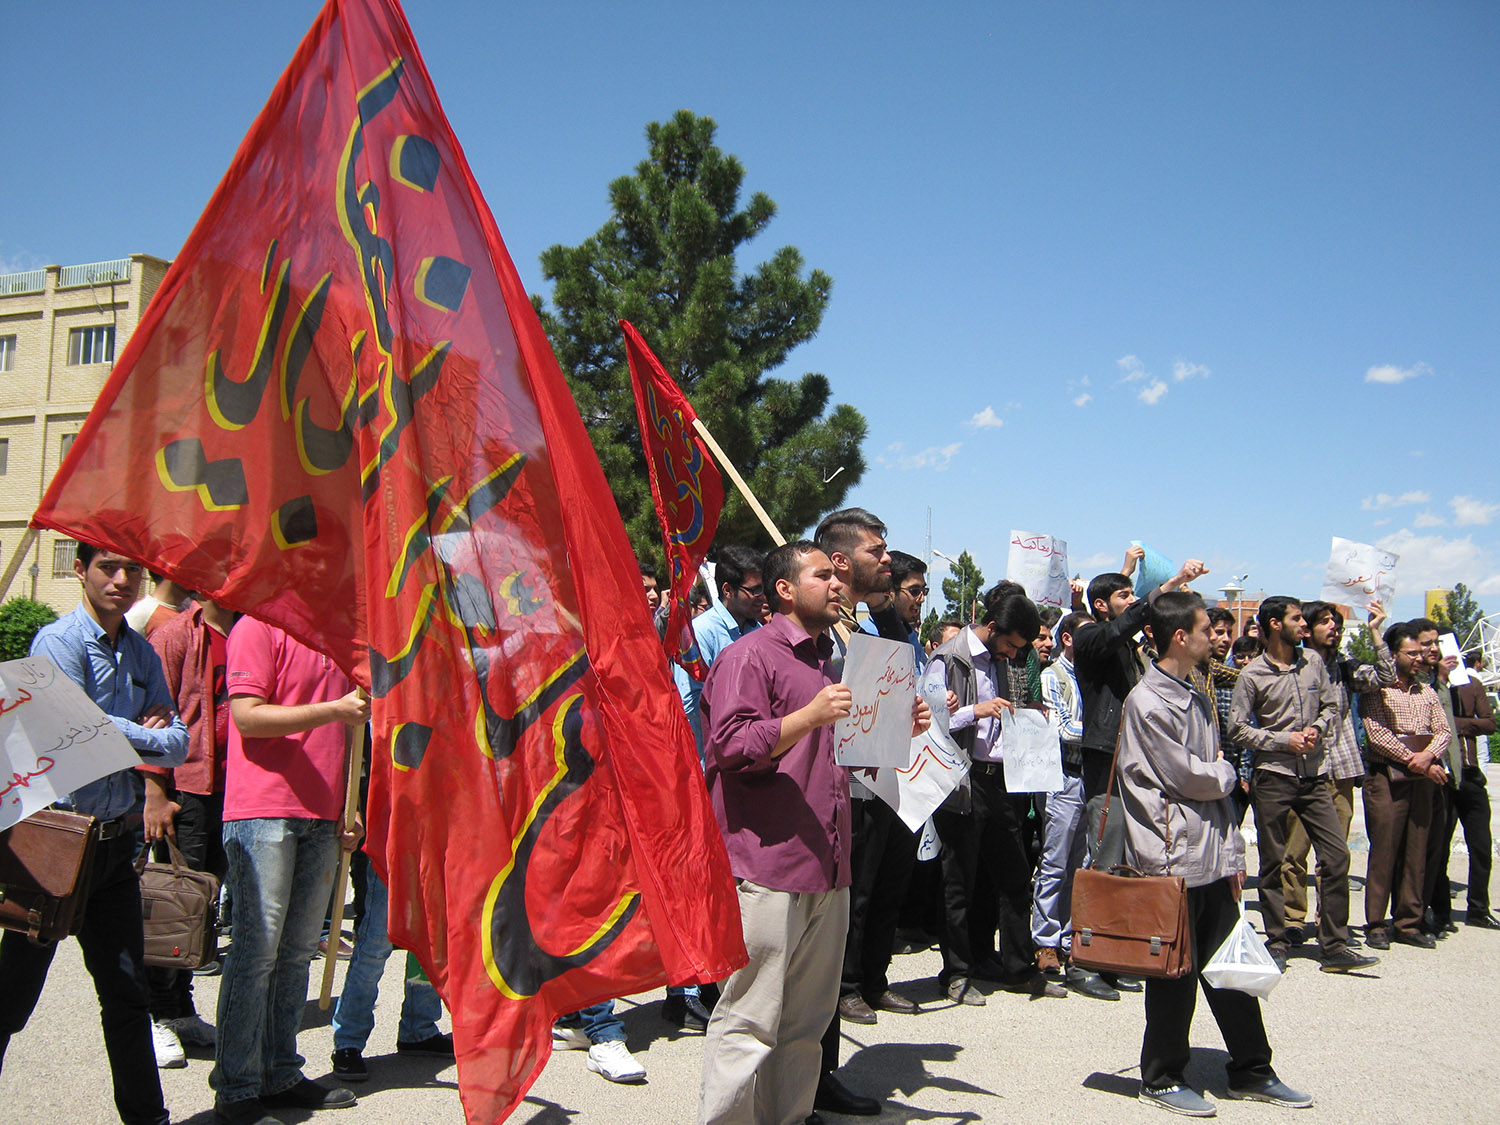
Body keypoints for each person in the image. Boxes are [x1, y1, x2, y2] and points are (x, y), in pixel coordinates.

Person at [697, 540, 928, 1125]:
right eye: (822, 574)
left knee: (807, 1023)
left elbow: (852, 760)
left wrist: (903, 723)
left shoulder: (834, 664)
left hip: (829, 863)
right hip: (768, 864)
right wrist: (808, 715)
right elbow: (729, 748)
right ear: (784, 589)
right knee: (748, 1018)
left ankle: (791, 1117)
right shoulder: (750, 657)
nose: (837, 584)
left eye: (837, 575)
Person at [1, 542, 190, 1125]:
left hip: (114, 844)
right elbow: (70, 726)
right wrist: (142, 732)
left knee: (127, 994)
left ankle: (146, 1117)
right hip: (56, 841)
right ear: (81, 570)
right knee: (12, 997)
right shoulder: (57, 642)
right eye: (109, 567)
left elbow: (180, 738)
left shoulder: (141, 650)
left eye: (132, 569)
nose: (122, 579)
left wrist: (121, 733)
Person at [1119, 591, 1312, 1117]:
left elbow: (1207, 770)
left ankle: (1252, 1069)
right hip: (1172, 857)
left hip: (1212, 852)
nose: (1216, 636)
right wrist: (1226, 776)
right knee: (1173, 974)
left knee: (1232, 970)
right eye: (1206, 628)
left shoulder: (1196, 691)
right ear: (1180, 636)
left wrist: (1233, 850)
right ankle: (1160, 1078)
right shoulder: (1148, 701)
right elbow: (1190, 776)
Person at [209, 617, 370, 1125]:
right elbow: (248, 718)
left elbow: (355, 732)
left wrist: (352, 806)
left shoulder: (344, 636)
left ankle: (279, 1072)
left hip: (324, 812)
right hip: (262, 811)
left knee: (298, 952)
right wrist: (334, 710)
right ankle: (235, 1088)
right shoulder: (257, 627)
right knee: (257, 953)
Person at [928, 592, 1067, 1003]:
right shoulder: (948, 659)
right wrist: (976, 711)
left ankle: (1017, 968)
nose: (1014, 653)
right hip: (961, 781)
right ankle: (956, 972)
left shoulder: (1012, 661)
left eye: (1020, 648)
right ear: (992, 628)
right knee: (959, 881)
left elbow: (1020, 705)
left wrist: (1032, 714)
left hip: (1003, 780)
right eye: (1010, 645)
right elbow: (929, 724)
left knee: (1011, 877)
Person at [1228, 596, 1376, 974]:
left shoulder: (1313, 663)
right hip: (1273, 778)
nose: (1304, 625)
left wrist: (1317, 729)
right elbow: (1238, 729)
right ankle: (1277, 940)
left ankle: (1334, 945)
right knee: (1274, 862)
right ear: (1275, 624)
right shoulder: (1252, 675)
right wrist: (1283, 740)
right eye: (1297, 618)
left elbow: (1331, 707)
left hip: (1315, 777)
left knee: (1337, 856)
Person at [813, 508, 905, 1117]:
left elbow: (881, 712)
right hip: (811, 814)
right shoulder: (811, 632)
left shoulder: (866, 626)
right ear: (842, 561)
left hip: (864, 798)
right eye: (879, 549)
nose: (889, 559)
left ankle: (821, 1077)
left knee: (826, 956)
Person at [141, 596, 238, 1066]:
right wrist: (154, 791)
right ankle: (153, 1014)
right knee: (173, 906)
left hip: (234, 788)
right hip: (188, 786)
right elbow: (152, 716)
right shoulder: (179, 634)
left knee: (202, 908)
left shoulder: (246, 630)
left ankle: (180, 1009)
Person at [1279, 600, 1390, 946]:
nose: (1334, 627)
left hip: (1340, 769)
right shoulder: (1292, 666)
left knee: (1335, 855)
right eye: (1325, 621)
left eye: (1337, 622)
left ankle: (1330, 924)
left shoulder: (1345, 667)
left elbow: (1385, 677)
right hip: (1302, 768)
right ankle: (1292, 919)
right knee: (1293, 854)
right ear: (1307, 629)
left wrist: (1375, 631)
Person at [1036, 612, 1118, 1001]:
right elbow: (1062, 728)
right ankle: (1045, 941)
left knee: (1081, 863)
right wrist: (1105, 732)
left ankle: (1072, 937)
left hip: (1092, 774)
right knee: (1054, 861)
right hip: (1063, 775)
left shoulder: (1094, 676)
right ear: (1067, 638)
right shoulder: (1053, 676)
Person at [1359, 622, 1452, 950]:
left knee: (1417, 849)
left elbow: (1443, 730)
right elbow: (1376, 731)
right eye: (1411, 653)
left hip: (1420, 780)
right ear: (1393, 653)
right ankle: (1376, 923)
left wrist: (1426, 757)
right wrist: (1411, 758)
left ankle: (1408, 921)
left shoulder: (1426, 692)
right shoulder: (1378, 691)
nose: (1418, 658)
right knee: (1384, 851)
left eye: (1420, 653)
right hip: (1386, 778)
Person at [1440, 652, 1498, 928]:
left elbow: (1489, 723)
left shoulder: (1472, 684)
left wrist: (1456, 724)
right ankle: (1439, 910)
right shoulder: (1430, 686)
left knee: (1481, 845)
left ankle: (1478, 908)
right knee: (1439, 846)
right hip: (1444, 776)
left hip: (1471, 773)